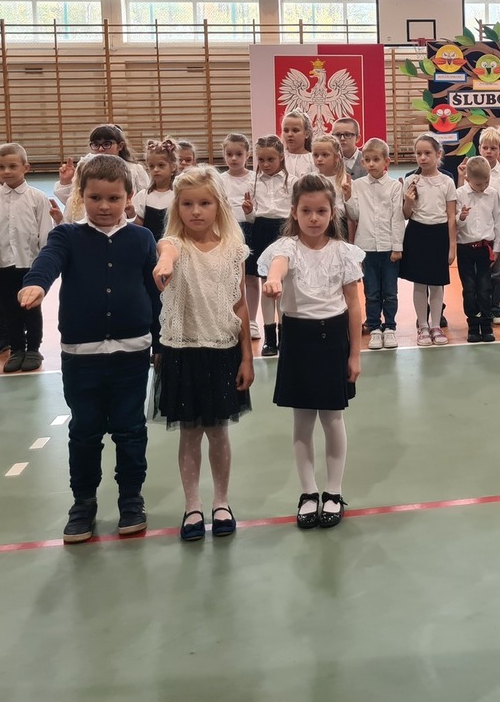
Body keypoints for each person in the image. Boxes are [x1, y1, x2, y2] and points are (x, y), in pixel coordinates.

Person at [18, 154, 162, 544]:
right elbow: (48, 261)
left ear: (128, 197)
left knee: (130, 430)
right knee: (84, 431)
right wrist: (36, 283)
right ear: (82, 195)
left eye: (114, 198)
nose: (104, 206)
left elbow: (153, 293)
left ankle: (131, 498)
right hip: (82, 356)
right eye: (95, 198)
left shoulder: (142, 239)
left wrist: (160, 340)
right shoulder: (67, 236)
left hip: (132, 353)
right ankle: (83, 503)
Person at [152, 166, 254, 542]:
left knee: (218, 432)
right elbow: (166, 253)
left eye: (205, 203)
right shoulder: (174, 245)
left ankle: (221, 502)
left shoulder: (233, 251)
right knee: (190, 433)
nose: (196, 211)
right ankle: (192, 505)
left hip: (222, 351)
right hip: (182, 351)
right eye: (187, 204)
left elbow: (240, 304)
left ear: (218, 207)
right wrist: (164, 264)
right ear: (177, 208)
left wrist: (247, 357)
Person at [260, 175, 364, 530]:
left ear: (332, 212)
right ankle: (308, 493)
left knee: (333, 419)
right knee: (302, 421)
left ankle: (334, 491)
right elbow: (278, 266)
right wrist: (274, 280)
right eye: (306, 211)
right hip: (297, 337)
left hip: (333, 338)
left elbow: (354, 306)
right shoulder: (285, 247)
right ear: (295, 212)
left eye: (321, 211)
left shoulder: (343, 252)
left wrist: (355, 355)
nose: (314, 218)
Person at [0, 143, 55, 372]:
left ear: (25, 167)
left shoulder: (37, 197)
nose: (6, 171)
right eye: (1, 167)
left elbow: (45, 232)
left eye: (12, 166)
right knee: (9, 310)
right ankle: (16, 349)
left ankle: (33, 349)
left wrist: (44, 264)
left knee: (31, 309)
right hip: (3, 263)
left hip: (30, 263)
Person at [346, 137, 404, 350]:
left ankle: (390, 327)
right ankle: (375, 328)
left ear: (386, 162)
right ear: (363, 163)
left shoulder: (394, 187)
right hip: (366, 248)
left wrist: (397, 247)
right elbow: (354, 215)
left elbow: (398, 218)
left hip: (388, 249)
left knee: (390, 291)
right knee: (371, 292)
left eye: (376, 159)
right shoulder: (357, 185)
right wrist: (347, 196)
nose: (371, 164)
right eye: (367, 160)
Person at [399, 133, 457, 346]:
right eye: (418, 153)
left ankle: (436, 325)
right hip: (417, 233)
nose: (422, 158)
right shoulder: (410, 181)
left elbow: (451, 216)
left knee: (437, 284)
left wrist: (452, 247)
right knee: (420, 283)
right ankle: (423, 326)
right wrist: (408, 201)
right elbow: (406, 214)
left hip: (439, 235)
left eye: (427, 153)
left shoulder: (447, 181)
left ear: (438, 154)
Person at [242, 135, 290, 357]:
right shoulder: (252, 182)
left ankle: (285, 334)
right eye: (261, 160)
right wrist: (249, 211)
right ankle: (270, 338)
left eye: (271, 159)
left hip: (284, 231)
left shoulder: (292, 181)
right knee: (266, 285)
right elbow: (252, 218)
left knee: (283, 285)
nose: (266, 164)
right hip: (261, 230)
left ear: (281, 157)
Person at [455, 156, 500, 343]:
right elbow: (455, 225)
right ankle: (473, 325)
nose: (483, 187)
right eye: (478, 184)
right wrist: (461, 217)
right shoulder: (460, 194)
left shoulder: (493, 194)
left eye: (486, 182)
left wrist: (497, 247)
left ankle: (486, 323)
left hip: (485, 248)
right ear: (468, 179)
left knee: (484, 287)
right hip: (465, 248)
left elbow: (498, 222)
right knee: (469, 288)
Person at [218, 132, 258, 345]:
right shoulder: (219, 180)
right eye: (229, 154)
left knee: (250, 277)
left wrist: (250, 210)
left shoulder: (254, 179)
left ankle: (252, 320)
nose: (233, 158)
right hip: (227, 231)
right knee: (227, 277)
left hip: (249, 228)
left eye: (239, 154)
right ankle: (228, 318)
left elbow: (259, 207)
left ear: (248, 155)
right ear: (224, 154)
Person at [53, 124, 150, 210]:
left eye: (106, 144)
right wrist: (66, 182)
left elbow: (145, 199)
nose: (100, 149)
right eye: (96, 145)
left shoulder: (135, 169)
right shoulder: (85, 168)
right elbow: (75, 203)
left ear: (120, 146)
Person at [477, 128, 500, 327]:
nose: (489, 151)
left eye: (493, 148)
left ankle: (495, 308)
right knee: (479, 271)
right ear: (479, 148)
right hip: (478, 230)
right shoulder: (473, 171)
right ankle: (480, 307)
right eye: (485, 147)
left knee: (497, 271)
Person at [133, 139, 177, 242]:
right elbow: (139, 226)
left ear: (173, 167)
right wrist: (131, 213)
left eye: (161, 165)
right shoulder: (143, 196)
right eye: (152, 166)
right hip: (149, 244)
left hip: (174, 244)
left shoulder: (178, 195)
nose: (156, 170)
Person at [311, 133, 353, 229]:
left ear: (336, 157)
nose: (319, 159)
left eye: (325, 155)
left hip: (338, 225)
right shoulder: (310, 179)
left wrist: (348, 196)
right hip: (316, 223)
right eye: (315, 155)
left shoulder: (345, 181)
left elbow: (353, 214)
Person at [281, 112, 316, 179]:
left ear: (306, 134)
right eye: (286, 130)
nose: (290, 134)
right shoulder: (279, 158)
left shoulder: (312, 159)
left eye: (295, 130)